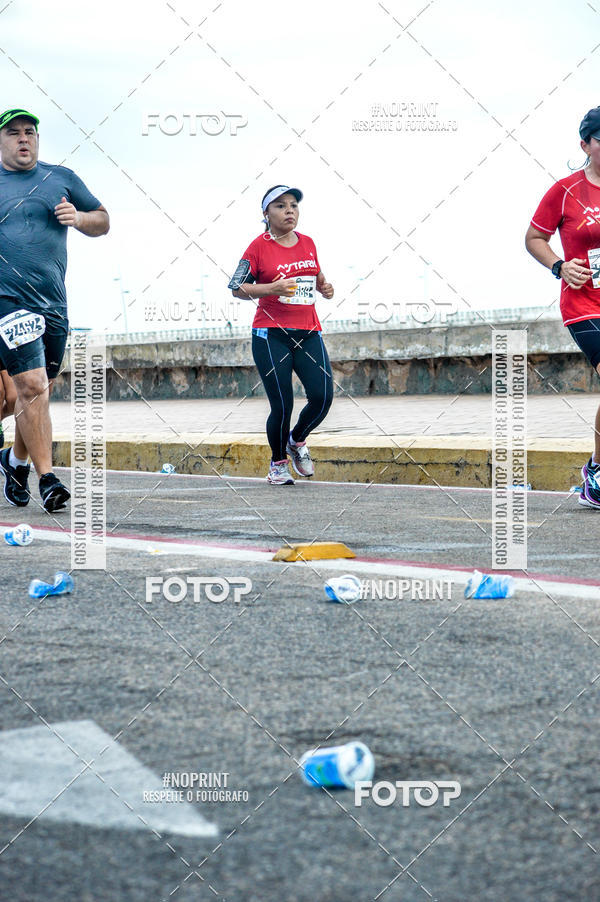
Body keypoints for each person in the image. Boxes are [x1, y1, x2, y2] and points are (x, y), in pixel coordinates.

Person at [0, 108, 109, 511]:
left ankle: (14, 461)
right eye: (14, 133)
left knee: (37, 391)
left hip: (53, 304)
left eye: (30, 132)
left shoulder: (59, 178)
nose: (24, 139)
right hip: (6, 300)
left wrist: (79, 217)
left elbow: (103, 219)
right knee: (30, 386)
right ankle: (48, 479)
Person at [228, 185, 334, 484]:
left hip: (309, 332)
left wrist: (325, 288)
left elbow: (317, 277)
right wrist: (270, 289)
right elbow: (237, 288)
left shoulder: (309, 243)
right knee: (283, 403)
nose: (290, 210)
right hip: (271, 334)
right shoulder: (257, 247)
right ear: (266, 214)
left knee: (322, 396)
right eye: (281, 206)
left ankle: (297, 439)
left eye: (293, 206)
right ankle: (277, 463)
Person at [526, 105, 600, 509]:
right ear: (585, 144)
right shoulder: (567, 190)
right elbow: (534, 237)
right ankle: (598, 473)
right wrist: (559, 265)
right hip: (584, 305)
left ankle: (595, 465)